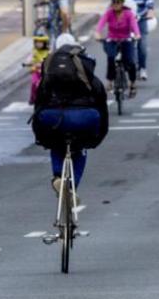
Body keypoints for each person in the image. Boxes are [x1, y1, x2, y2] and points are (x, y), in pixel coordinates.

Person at [31, 33, 109, 194]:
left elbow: (38, 104)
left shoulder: (49, 70)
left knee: (56, 144)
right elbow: (102, 106)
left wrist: (41, 137)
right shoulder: (87, 72)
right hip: (84, 118)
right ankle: (71, 189)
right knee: (80, 149)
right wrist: (97, 137)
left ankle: (58, 176)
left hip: (52, 118)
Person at [95, 0, 141, 92]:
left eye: (118, 2)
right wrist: (97, 34)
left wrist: (137, 35)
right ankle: (110, 81)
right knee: (111, 57)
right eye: (113, 1)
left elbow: (134, 26)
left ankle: (132, 83)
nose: (115, 4)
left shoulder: (128, 14)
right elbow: (100, 25)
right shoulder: (109, 13)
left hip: (126, 39)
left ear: (122, 3)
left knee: (130, 61)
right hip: (112, 39)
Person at [120, 0, 156, 80]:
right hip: (126, 21)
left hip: (140, 20)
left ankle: (142, 68)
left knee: (142, 45)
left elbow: (149, 2)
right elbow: (114, 2)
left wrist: (150, 11)